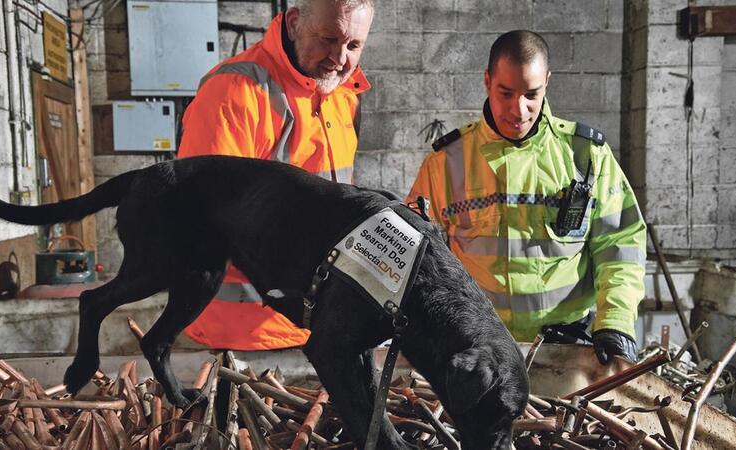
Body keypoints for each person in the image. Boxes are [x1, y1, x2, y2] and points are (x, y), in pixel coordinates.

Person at [406, 30, 646, 364]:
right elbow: (417, 258)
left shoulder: (586, 156)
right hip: (477, 348)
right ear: (487, 81)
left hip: (567, 348)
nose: (519, 110)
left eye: (531, 94)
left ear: (547, 82)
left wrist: (617, 323)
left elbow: (621, 245)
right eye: (505, 93)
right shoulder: (445, 163)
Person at [177, 0, 374, 350]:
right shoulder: (233, 93)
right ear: (295, 22)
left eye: (353, 45)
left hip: (314, 327)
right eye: (329, 38)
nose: (340, 58)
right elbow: (203, 219)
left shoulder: (344, 97)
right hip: (236, 335)